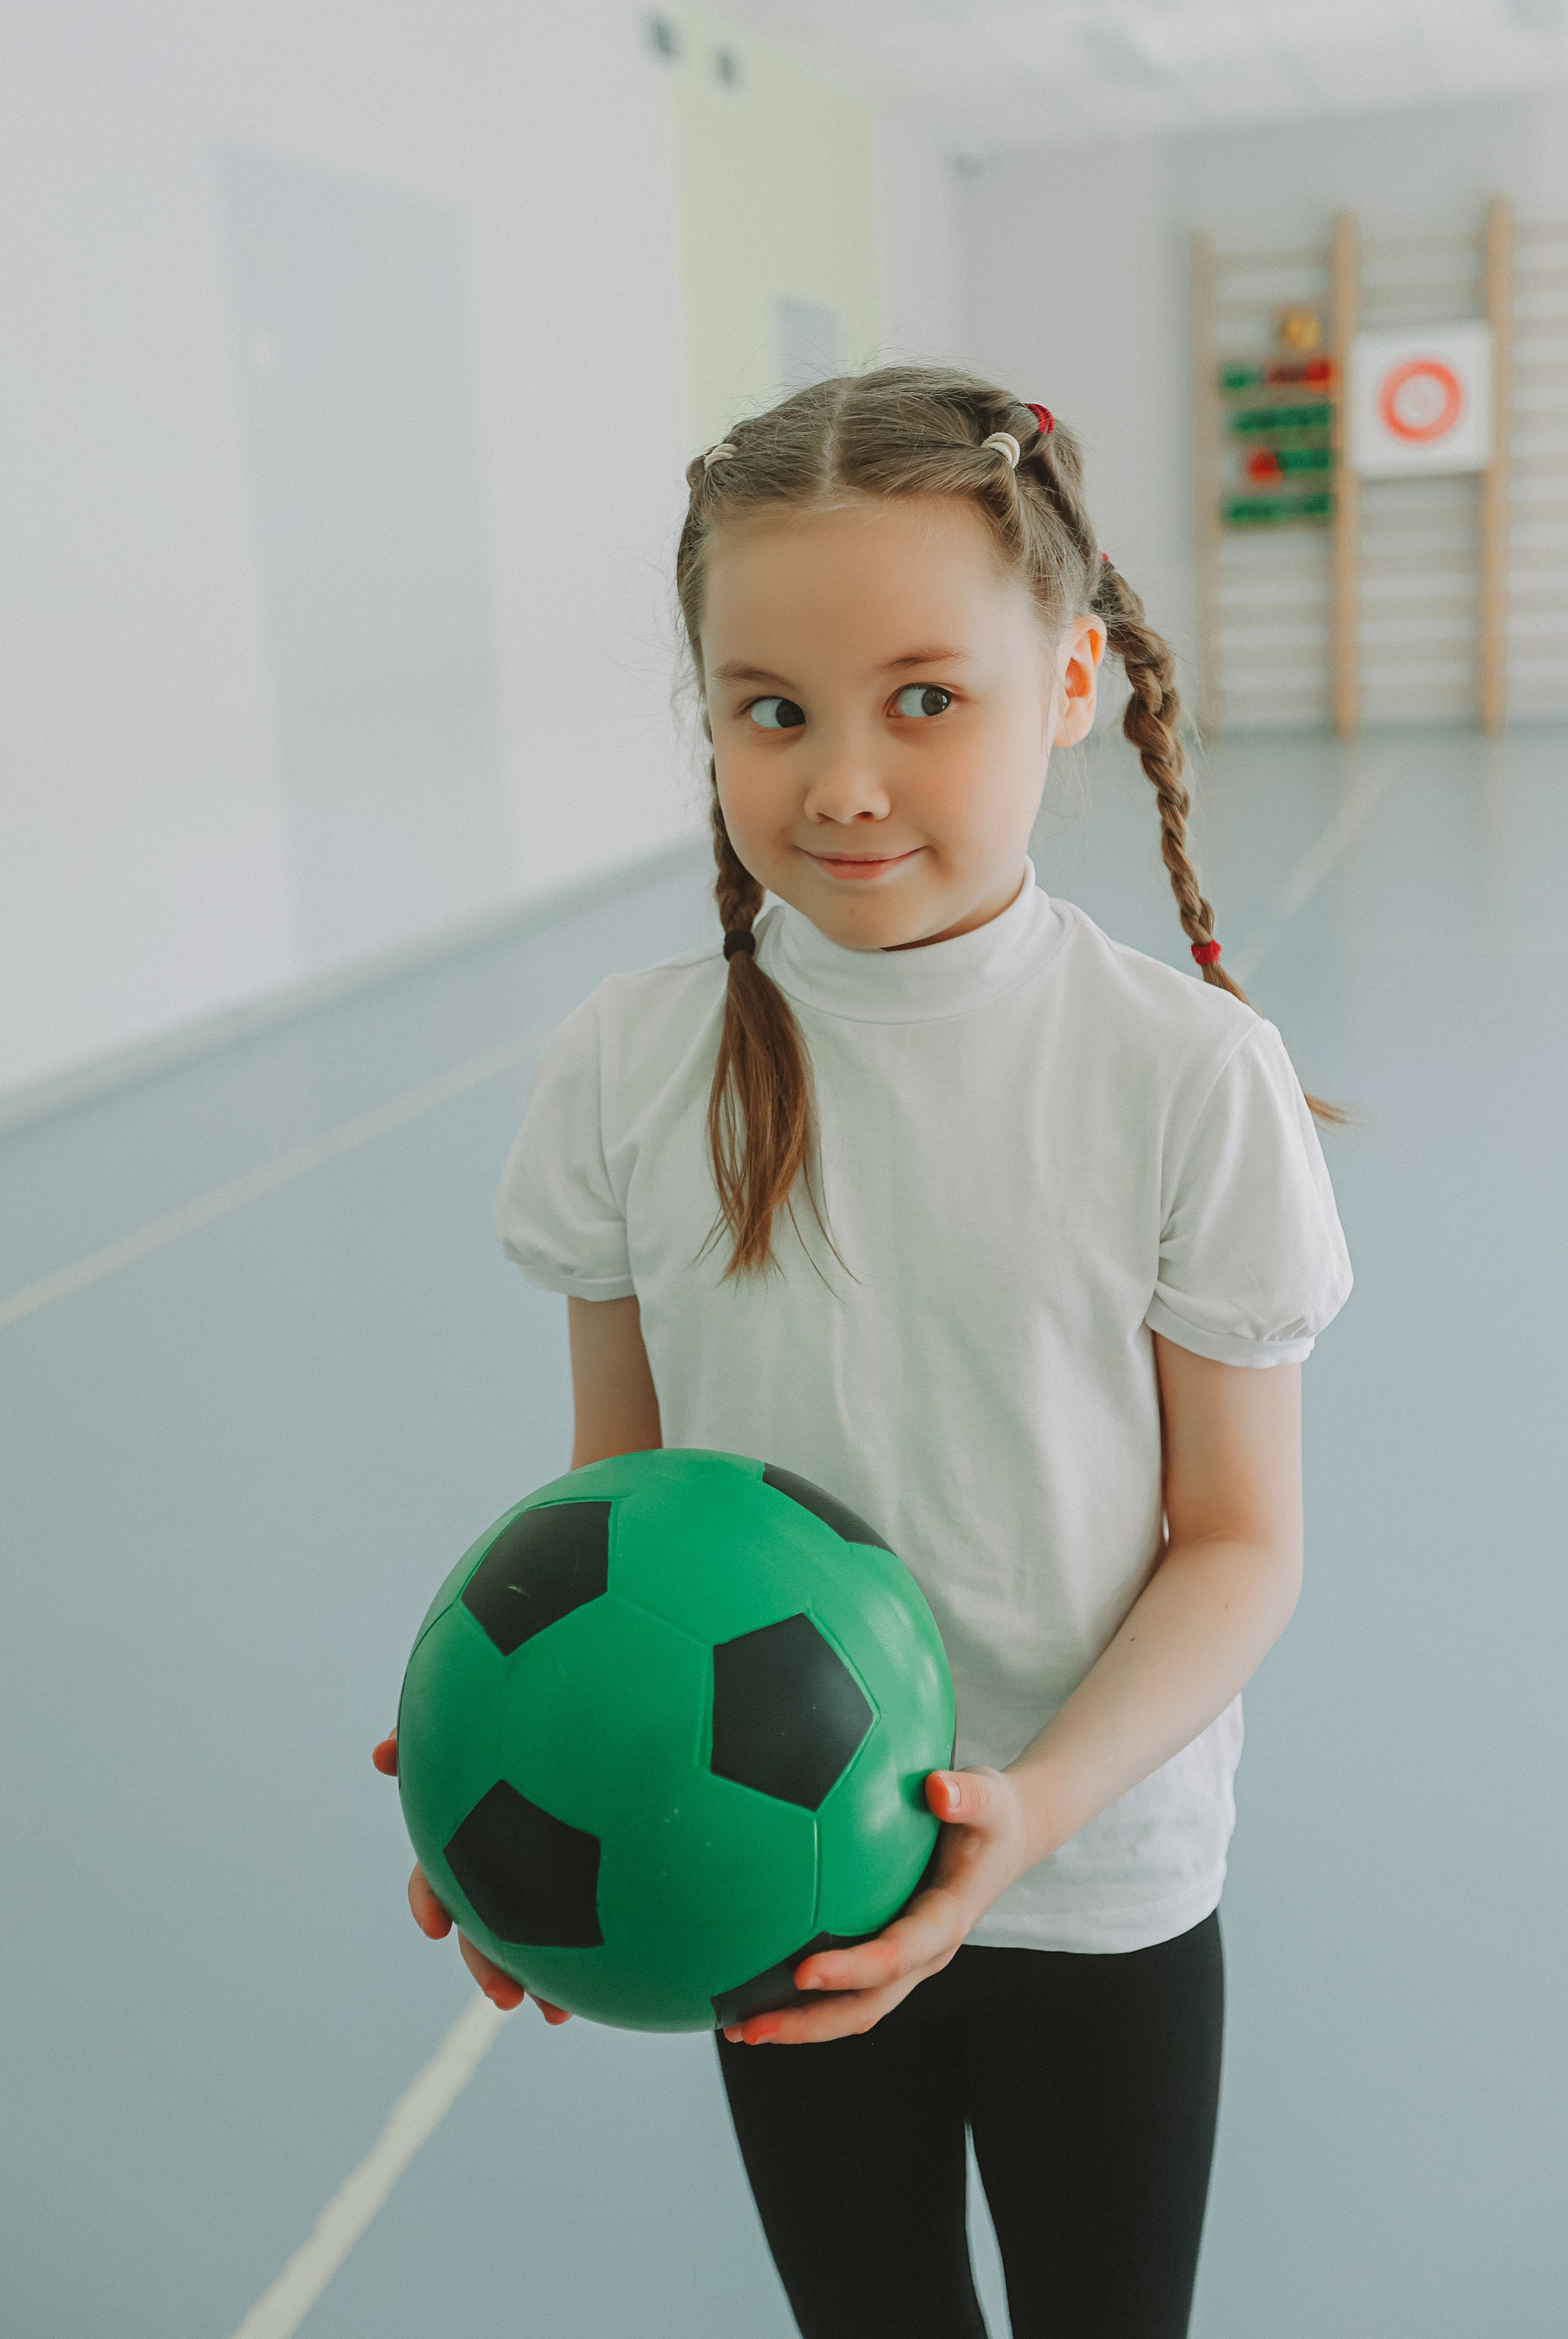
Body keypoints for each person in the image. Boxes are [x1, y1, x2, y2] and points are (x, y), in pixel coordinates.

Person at [374, 366, 1353, 2337]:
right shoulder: (634, 1067)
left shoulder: (1184, 1077)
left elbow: (1241, 1541)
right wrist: (533, 1766)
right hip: (769, 1892)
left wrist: (1035, 1813)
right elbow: (619, 1502)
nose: (841, 782)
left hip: (1094, 1883)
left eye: (927, 698)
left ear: (1069, 682)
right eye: (770, 710)